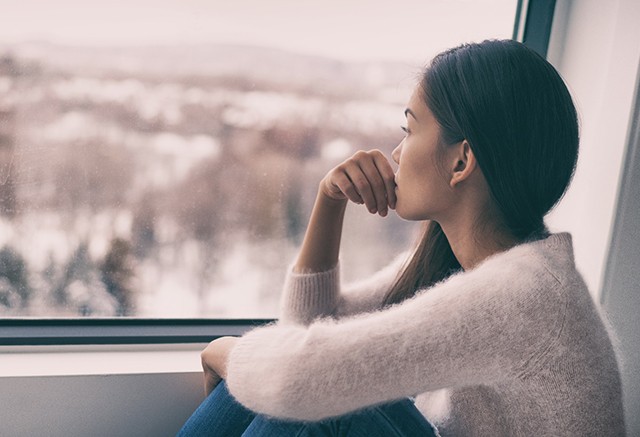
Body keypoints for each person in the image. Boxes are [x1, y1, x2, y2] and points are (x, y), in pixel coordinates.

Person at [178, 39, 625, 436]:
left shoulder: (526, 294)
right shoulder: (462, 262)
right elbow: (309, 331)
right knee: (287, 386)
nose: (396, 152)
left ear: (461, 161)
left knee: (317, 398)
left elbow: (298, 379)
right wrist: (328, 202)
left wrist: (227, 354)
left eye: (409, 130)